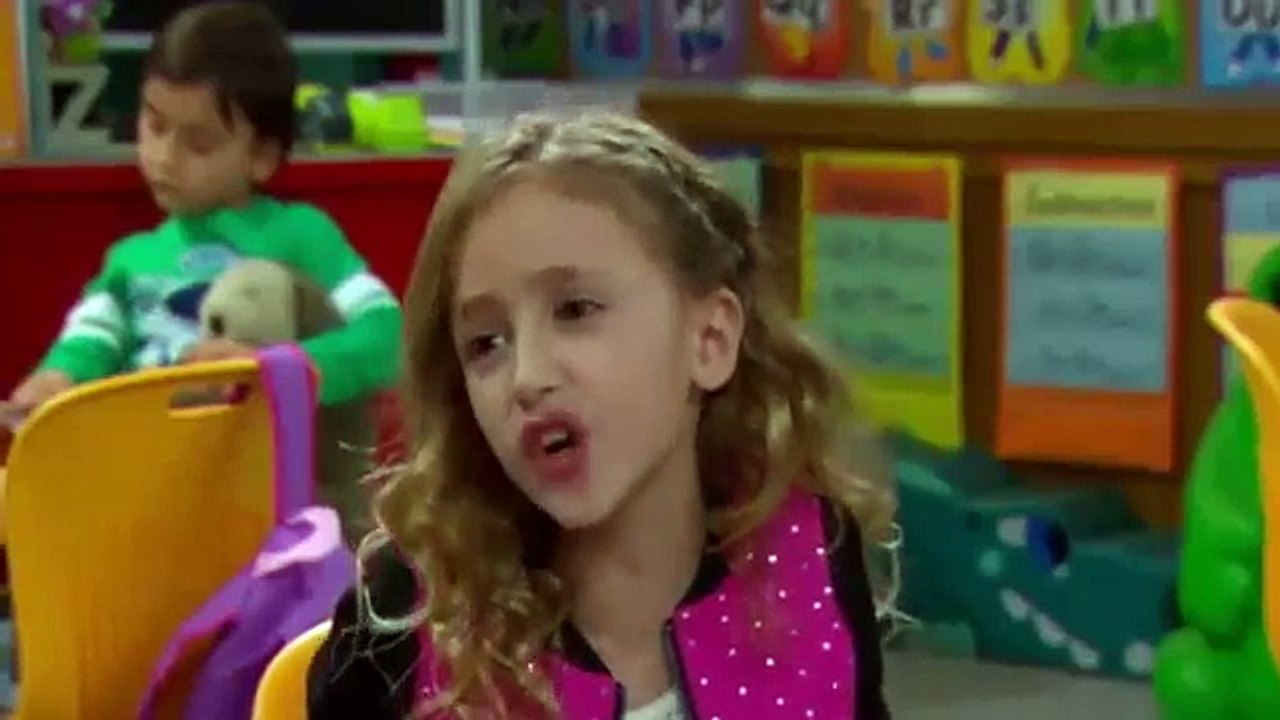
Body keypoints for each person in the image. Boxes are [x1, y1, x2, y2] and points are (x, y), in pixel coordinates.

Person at [307, 111, 896, 719]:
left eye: (575, 310)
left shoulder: (809, 557)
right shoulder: (408, 614)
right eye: (486, 344)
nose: (527, 377)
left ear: (709, 339)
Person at [7, 1, 402, 413]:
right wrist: (54, 380)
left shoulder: (301, 234)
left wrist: (274, 368)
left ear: (262, 156)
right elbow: (84, 345)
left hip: (258, 450)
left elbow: (386, 335)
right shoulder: (129, 260)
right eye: (155, 126)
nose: (165, 157)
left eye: (199, 144)